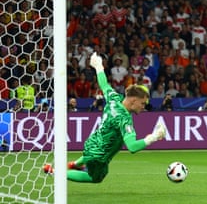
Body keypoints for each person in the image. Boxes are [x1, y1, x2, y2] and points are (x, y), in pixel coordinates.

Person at [43, 53, 166, 183]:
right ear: (133, 101)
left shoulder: (114, 98)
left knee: (95, 151)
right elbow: (133, 147)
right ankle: (55, 172)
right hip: (99, 156)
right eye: (142, 103)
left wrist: (98, 66)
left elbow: (104, 84)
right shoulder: (124, 119)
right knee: (95, 177)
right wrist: (154, 137)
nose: (143, 107)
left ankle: (75, 164)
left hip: (91, 143)